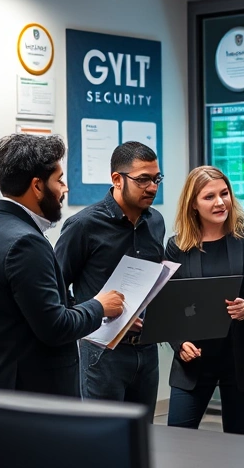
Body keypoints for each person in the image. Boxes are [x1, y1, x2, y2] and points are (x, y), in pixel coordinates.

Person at [0, 134, 124, 397]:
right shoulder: (26, 243)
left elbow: (28, 310)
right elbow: (56, 327)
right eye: (59, 180)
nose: (65, 189)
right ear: (37, 186)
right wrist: (99, 306)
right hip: (33, 397)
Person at [164, 166, 244, 434]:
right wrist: (179, 344)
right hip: (194, 360)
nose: (220, 202)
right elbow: (168, 306)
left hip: (241, 357)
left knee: (238, 439)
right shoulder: (177, 246)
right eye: (209, 196)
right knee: (177, 438)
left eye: (224, 193)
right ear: (193, 204)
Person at [55, 141, 166, 414]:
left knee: (143, 432)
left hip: (146, 349)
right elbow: (56, 287)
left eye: (156, 179)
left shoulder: (156, 222)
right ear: (117, 179)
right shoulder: (83, 225)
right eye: (143, 180)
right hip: (102, 353)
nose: (152, 187)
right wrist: (91, 315)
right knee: (102, 433)